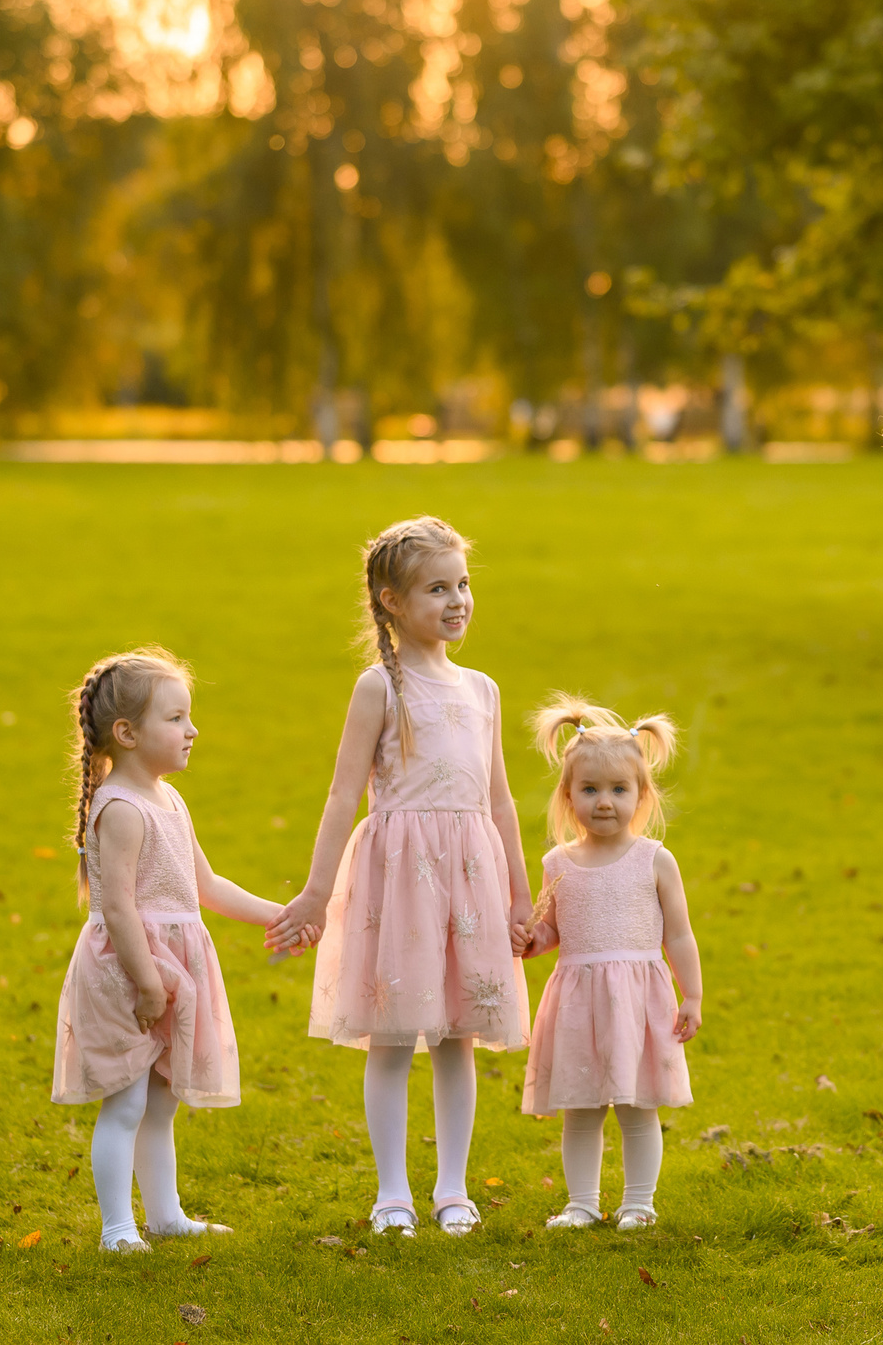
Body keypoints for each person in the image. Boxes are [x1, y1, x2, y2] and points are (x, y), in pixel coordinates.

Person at [266, 516, 534, 1237]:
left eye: (464, 585)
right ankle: (392, 1193)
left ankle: (452, 1188)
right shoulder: (378, 688)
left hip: (470, 879)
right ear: (390, 599)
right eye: (437, 589)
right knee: (393, 1035)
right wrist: (317, 893)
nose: (457, 601)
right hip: (400, 880)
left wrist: (519, 892)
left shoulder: (482, 689)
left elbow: (500, 798)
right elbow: (340, 794)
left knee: (458, 1037)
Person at [50, 647, 296, 1253]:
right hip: (131, 971)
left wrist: (283, 916)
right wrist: (149, 982)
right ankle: (117, 1228)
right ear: (127, 733)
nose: (192, 731)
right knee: (128, 1100)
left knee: (161, 1100)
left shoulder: (169, 799)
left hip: (175, 965)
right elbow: (119, 908)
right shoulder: (122, 809)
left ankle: (165, 1216)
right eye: (176, 719)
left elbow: (205, 886)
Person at [513, 697, 702, 1232]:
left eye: (619, 790)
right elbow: (556, 929)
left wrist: (692, 995)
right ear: (568, 796)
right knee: (581, 1108)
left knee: (639, 1107)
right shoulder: (558, 863)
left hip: (639, 1000)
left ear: (642, 796)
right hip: (577, 1000)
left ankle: (639, 1203)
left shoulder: (654, 859)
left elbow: (679, 933)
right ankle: (583, 1202)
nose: (604, 802)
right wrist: (533, 940)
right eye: (590, 790)